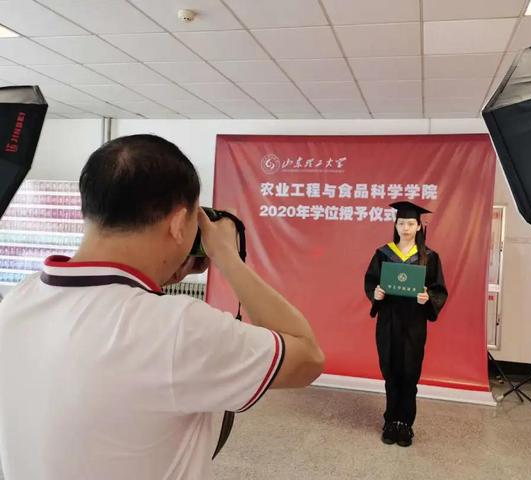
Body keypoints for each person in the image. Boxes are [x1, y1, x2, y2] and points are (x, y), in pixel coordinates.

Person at [0, 134, 325, 479]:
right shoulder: (179, 328)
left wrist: (158, 272)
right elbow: (307, 357)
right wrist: (226, 256)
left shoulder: (18, 299)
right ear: (178, 222)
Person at [364, 201, 447, 447]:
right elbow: (371, 282)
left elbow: (439, 289)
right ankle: (390, 422)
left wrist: (427, 298)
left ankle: (406, 424)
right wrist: (375, 294)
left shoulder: (429, 257)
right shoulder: (383, 253)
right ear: (396, 225)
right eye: (401, 223)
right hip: (388, 320)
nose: (406, 228)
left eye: (411, 223)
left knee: (410, 372)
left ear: (419, 226)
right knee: (390, 371)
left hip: (413, 323)